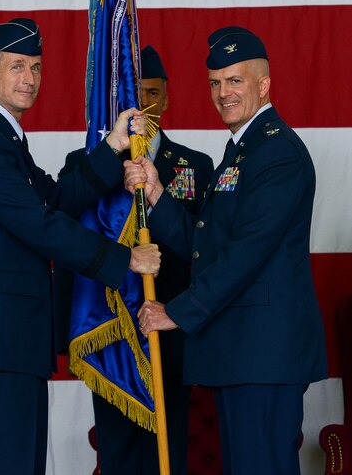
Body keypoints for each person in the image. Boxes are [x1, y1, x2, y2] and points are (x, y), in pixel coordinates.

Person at [0, 18, 161, 475]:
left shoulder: (3, 137)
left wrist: (112, 147)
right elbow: (39, 224)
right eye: (17, 67)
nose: (29, 79)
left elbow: (55, 199)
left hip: (14, 339)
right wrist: (124, 260)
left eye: (36, 67)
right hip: (1, 339)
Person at [125, 27, 328, 475]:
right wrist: (158, 195)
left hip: (263, 354)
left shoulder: (277, 153)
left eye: (235, 80)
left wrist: (177, 311)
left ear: (264, 84)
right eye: (216, 82)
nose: (223, 93)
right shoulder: (242, 152)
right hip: (241, 352)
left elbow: (246, 252)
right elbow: (207, 246)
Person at [53, 45, 213, 475]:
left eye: (153, 94)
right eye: (135, 96)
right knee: (118, 454)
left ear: (167, 97)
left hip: (172, 331)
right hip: (110, 333)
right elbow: (64, 232)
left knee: (170, 452)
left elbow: (205, 250)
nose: (144, 106)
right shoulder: (88, 164)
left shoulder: (195, 166)